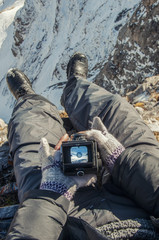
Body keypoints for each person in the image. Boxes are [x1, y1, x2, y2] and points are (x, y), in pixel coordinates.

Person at [5, 53, 159, 239]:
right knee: (117, 111)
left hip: (66, 223)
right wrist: (122, 160)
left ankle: (28, 100)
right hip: (143, 208)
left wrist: (52, 190)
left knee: (31, 139)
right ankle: (76, 85)